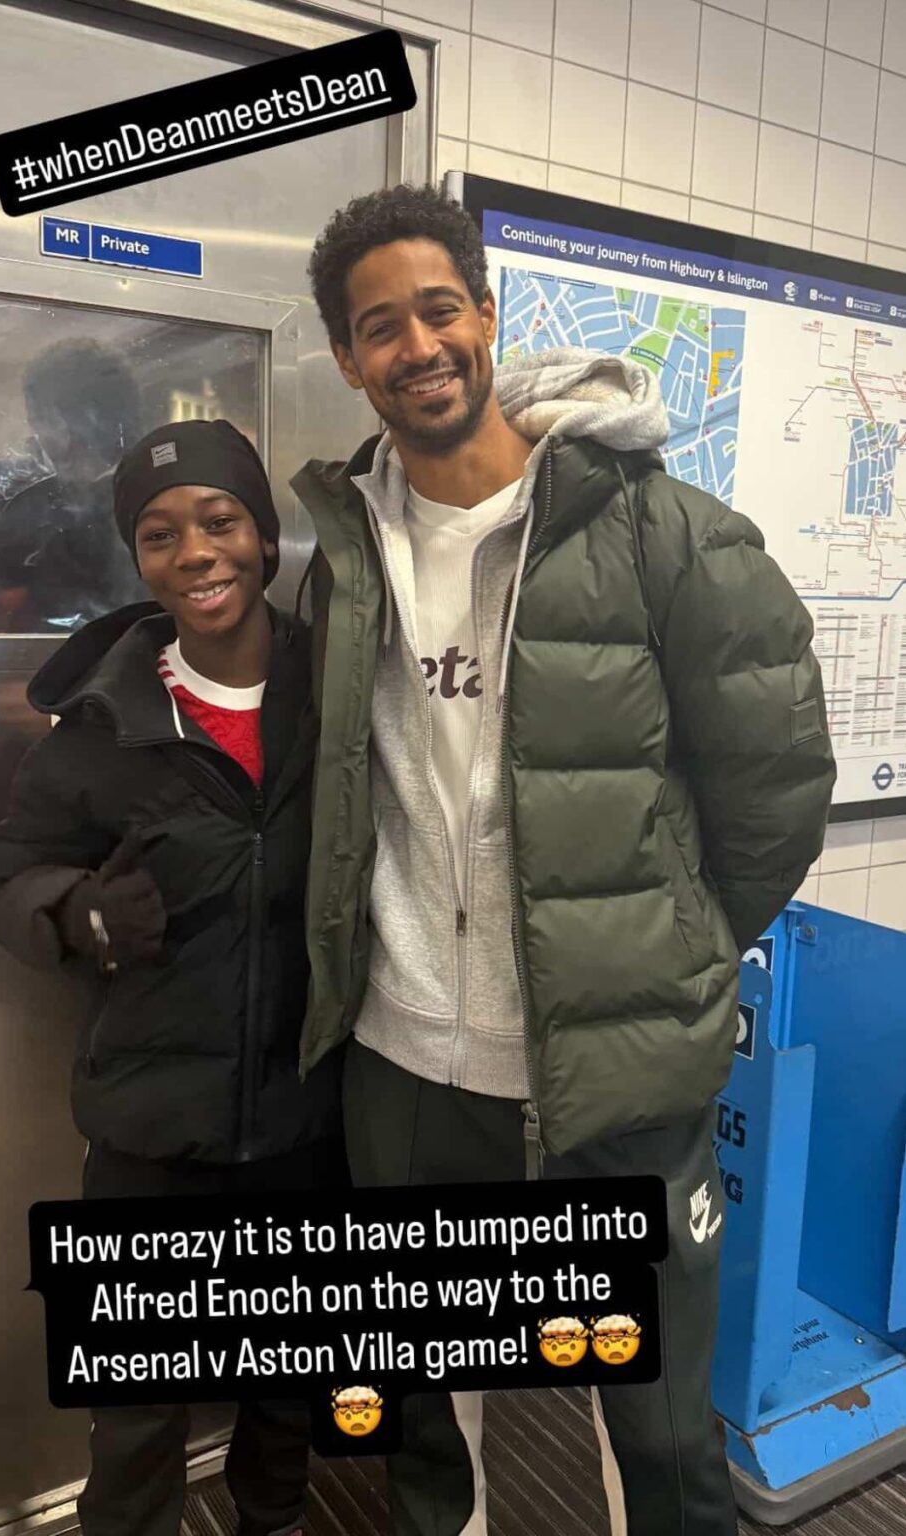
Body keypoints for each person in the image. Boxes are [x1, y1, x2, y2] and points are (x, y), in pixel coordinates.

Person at [291, 184, 837, 1536]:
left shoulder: (660, 530)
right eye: (376, 328)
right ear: (346, 360)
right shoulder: (342, 560)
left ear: (483, 315)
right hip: (404, 1068)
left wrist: (676, 954)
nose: (414, 347)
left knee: (656, 1438)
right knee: (426, 1426)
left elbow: (774, 792)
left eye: (435, 310)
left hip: (614, 1076)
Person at [0, 418, 345, 1536]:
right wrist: (80, 914)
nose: (194, 552)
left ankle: (275, 1521)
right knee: (136, 1407)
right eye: (158, 534)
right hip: (149, 1127)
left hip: (306, 1116)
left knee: (287, 1379)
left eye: (219, 520)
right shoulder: (104, 720)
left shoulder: (337, 692)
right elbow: (9, 880)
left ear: (265, 534)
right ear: (136, 558)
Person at [0, 339, 146, 634]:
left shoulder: (148, 493)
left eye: (49, 419)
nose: (49, 435)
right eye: (40, 420)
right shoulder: (2, 495)